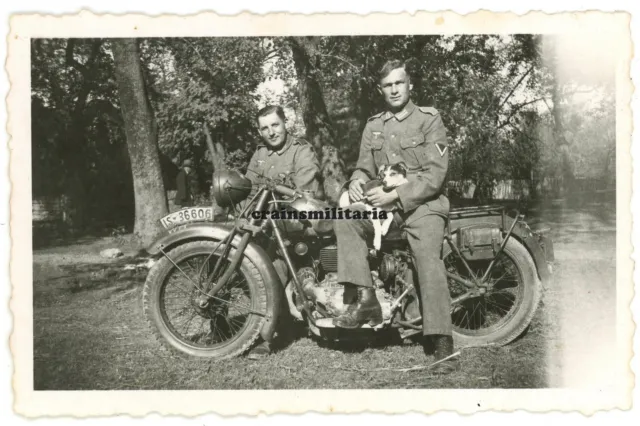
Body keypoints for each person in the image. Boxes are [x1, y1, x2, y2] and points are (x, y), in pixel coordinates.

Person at [333, 59, 458, 374]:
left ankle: (442, 343)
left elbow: (435, 175)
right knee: (345, 216)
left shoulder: (429, 119)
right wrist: (358, 181)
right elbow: (363, 166)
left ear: (409, 84)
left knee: (427, 256)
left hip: (424, 205)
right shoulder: (374, 125)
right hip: (385, 207)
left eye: (399, 83)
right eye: (388, 85)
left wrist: (396, 195)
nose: (394, 89)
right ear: (381, 89)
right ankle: (366, 299)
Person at [242, 105, 323, 360]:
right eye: (265, 128)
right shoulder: (260, 155)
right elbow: (249, 190)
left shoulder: (302, 150)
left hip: (299, 225)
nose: (271, 132)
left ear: (285, 123)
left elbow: (305, 192)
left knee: (272, 268)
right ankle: (223, 326)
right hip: (269, 225)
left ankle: (266, 336)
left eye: (275, 125)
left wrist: (268, 202)